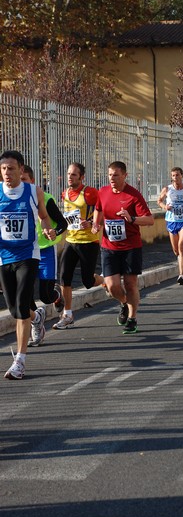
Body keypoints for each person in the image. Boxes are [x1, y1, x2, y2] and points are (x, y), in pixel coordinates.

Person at [0, 150, 55, 380]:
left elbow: (43, 216)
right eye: (3, 169)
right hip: (4, 257)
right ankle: (38, 317)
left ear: (21, 170)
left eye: (11, 168)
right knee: (14, 310)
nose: (7, 173)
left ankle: (20, 362)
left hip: (28, 255)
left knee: (21, 306)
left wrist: (45, 227)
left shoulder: (34, 191)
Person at [92, 161, 154, 334]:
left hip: (130, 246)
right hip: (109, 245)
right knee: (112, 286)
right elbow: (98, 209)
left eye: (116, 175)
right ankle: (125, 302)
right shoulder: (103, 192)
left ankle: (133, 319)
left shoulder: (133, 195)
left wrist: (131, 218)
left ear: (125, 176)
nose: (112, 178)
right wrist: (96, 223)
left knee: (130, 283)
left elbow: (149, 220)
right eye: (110, 174)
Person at [53, 162, 104, 330]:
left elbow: (103, 212)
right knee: (64, 278)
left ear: (82, 177)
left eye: (74, 174)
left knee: (88, 281)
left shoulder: (90, 193)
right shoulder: (65, 193)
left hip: (89, 242)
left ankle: (104, 280)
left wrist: (90, 223)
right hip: (71, 240)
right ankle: (67, 314)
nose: (70, 177)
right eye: (68, 173)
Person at [21, 166, 68, 346]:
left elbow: (63, 223)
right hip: (26, 252)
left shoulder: (45, 199)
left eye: (24, 179)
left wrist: (54, 232)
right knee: (24, 293)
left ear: (32, 182)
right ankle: (36, 320)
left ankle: (57, 295)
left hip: (46, 252)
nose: (21, 183)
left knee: (46, 296)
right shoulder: (11, 199)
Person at [157, 167, 183, 285]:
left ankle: (182, 275)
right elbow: (159, 201)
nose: (176, 178)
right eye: (173, 176)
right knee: (176, 251)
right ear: (171, 177)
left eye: (178, 175)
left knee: (181, 244)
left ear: (182, 175)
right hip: (171, 221)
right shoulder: (167, 189)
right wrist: (165, 207)